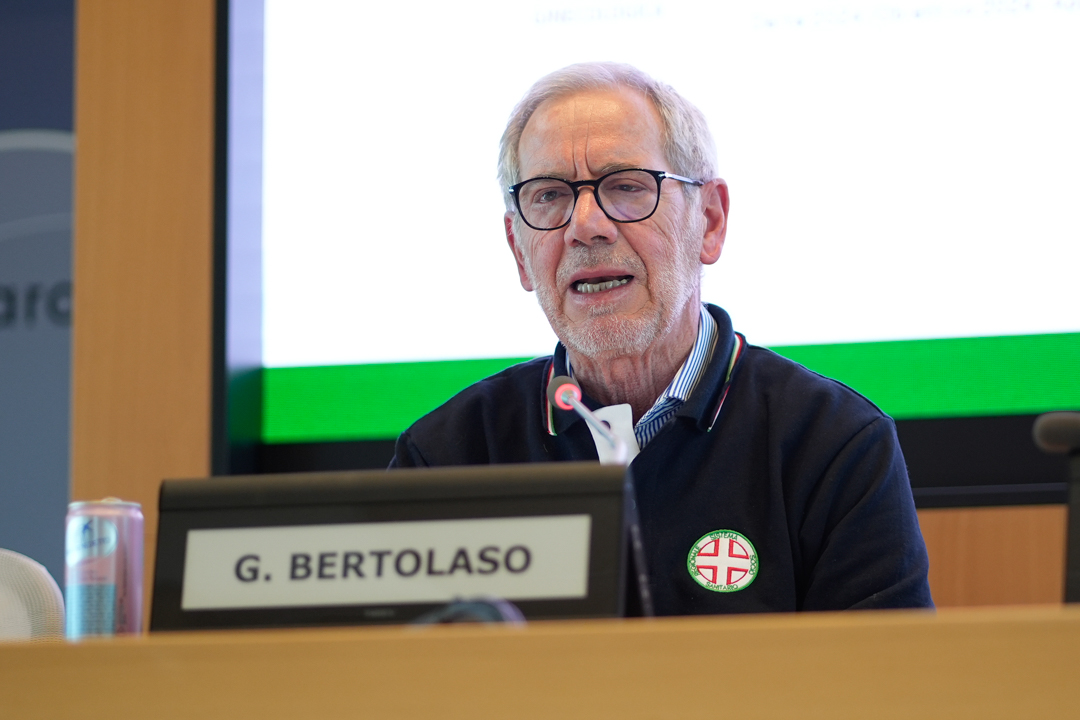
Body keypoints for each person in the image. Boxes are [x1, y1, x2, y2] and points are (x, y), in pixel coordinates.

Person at [390, 62, 933, 614]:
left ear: (710, 221)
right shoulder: (447, 459)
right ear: (518, 250)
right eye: (549, 195)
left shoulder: (835, 445)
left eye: (626, 186)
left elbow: (887, 669)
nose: (585, 226)